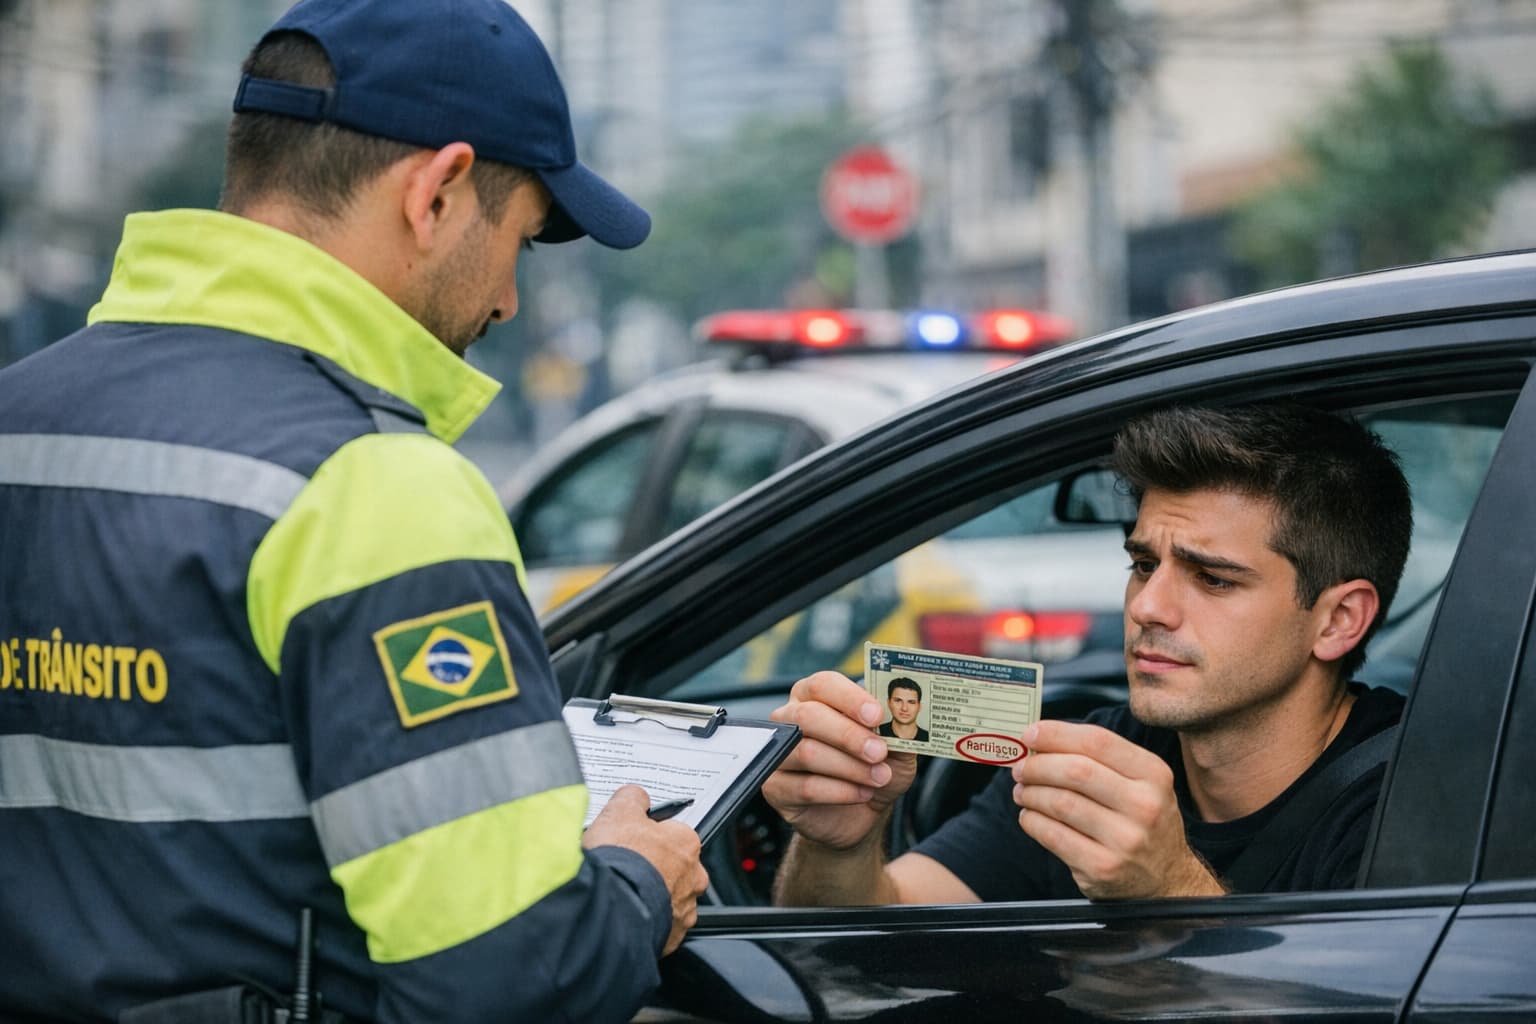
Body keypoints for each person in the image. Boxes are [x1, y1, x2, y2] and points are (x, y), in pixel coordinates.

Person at [0, 1, 707, 1021]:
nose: (508, 299)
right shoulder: (370, 482)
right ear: (437, 192)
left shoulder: (19, 417)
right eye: (527, 238)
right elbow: (507, 981)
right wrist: (634, 883)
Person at [764, 403, 1411, 907]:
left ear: (1337, 621)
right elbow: (874, 943)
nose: (1147, 606)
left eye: (1213, 579)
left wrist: (1171, 890)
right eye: (1143, 563)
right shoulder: (1098, 758)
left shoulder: (1422, 802)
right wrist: (840, 845)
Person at [877, 677, 930, 742]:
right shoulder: (877, 731)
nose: (904, 708)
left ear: (919, 707)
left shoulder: (928, 737)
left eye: (911, 702)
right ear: (889, 703)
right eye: (898, 700)